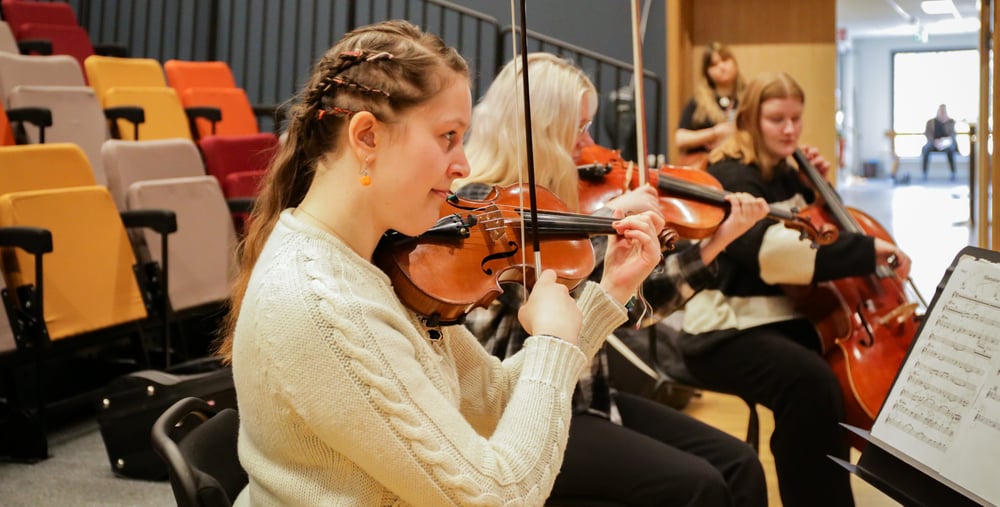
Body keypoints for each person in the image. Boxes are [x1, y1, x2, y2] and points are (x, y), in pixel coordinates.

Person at [216, 21, 666, 506]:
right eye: (447, 136)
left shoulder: (376, 264)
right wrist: (551, 344)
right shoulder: (324, 305)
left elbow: (490, 400)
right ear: (366, 136)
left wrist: (609, 293)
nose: (464, 166)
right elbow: (498, 498)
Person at [455, 52, 770, 507]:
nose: (588, 144)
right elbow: (535, 309)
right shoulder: (479, 206)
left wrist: (714, 243)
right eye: (578, 128)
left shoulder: (561, 203)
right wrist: (601, 220)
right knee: (698, 485)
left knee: (739, 462)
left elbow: (630, 311)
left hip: (588, 395)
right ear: (540, 128)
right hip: (525, 410)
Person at [676, 71, 913, 507]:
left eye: (796, 119)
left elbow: (818, 234)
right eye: (776, 119)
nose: (789, 130)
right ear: (750, 119)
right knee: (810, 383)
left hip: (780, 317)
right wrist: (866, 250)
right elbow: (772, 253)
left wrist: (814, 190)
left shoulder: (787, 172)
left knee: (831, 381)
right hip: (724, 329)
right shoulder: (731, 172)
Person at [675, 41, 746, 168]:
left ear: (734, 63)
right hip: (706, 168)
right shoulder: (698, 102)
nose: (721, 67)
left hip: (740, 165)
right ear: (707, 72)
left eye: (725, 60)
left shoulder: (749, 98)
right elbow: (680, 139)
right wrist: (714, 133)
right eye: (714, 64)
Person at [921, 103, 959, 181]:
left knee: (950, 150)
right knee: (926, 149)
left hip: (946, 144)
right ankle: (924, 173)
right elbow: (928, 134)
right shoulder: (931, 122)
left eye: (943, 111)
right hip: (933, 143)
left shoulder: (951, 122)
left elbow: (952, 135)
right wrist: (935, 142)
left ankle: (953, 173)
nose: (942, 112)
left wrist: (943, 142)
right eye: (940, 111)